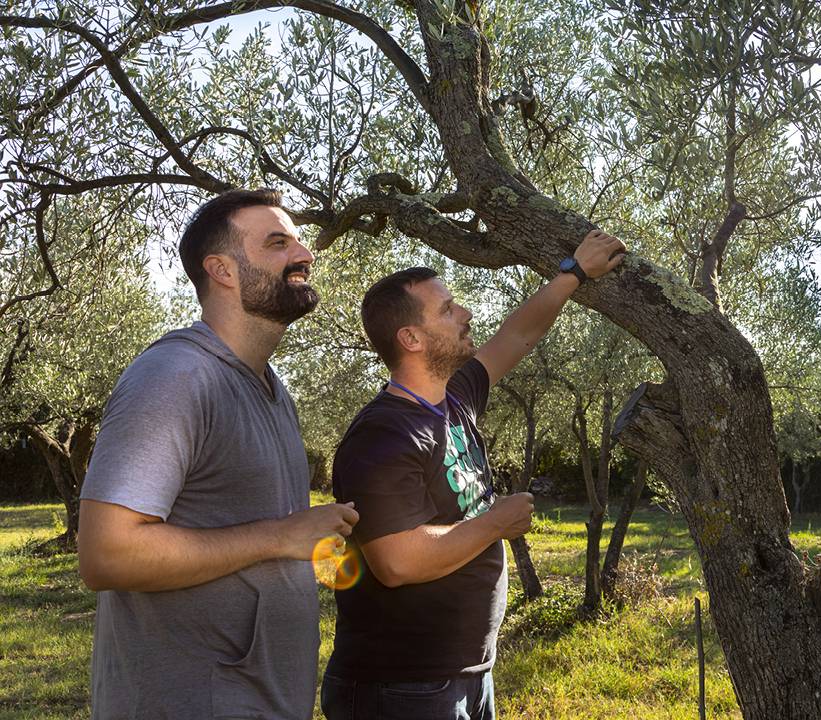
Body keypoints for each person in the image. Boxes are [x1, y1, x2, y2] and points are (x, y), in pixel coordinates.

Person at [77, 189, 360, 719]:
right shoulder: (176, 378)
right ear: (222, 270)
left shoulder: (272, 389)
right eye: (278, 242)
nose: (304, 254)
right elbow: (105, 555)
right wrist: (280, 537)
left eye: (297, 239)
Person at [320, 229, 626, 720]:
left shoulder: (453, 398)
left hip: (463, 675)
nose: (465, 314)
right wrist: (496, 523)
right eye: (447, 309)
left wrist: (573, 272)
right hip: (402, 689)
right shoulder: (383, 435)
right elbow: (396, 561)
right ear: (411, 339)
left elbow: (518, 336)